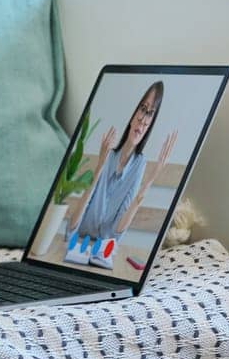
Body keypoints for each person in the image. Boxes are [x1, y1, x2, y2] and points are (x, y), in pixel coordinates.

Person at [63, 81, 179, 271]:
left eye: (150, 113)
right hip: (77, 248)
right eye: (142, 109)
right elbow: (72, 229)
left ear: (150, 126)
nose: (142, 120)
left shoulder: (139, 165)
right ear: (133, 116)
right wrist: (100, 166)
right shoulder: (107, 155)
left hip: (100, 257)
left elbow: (116, 235)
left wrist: (151, 178)